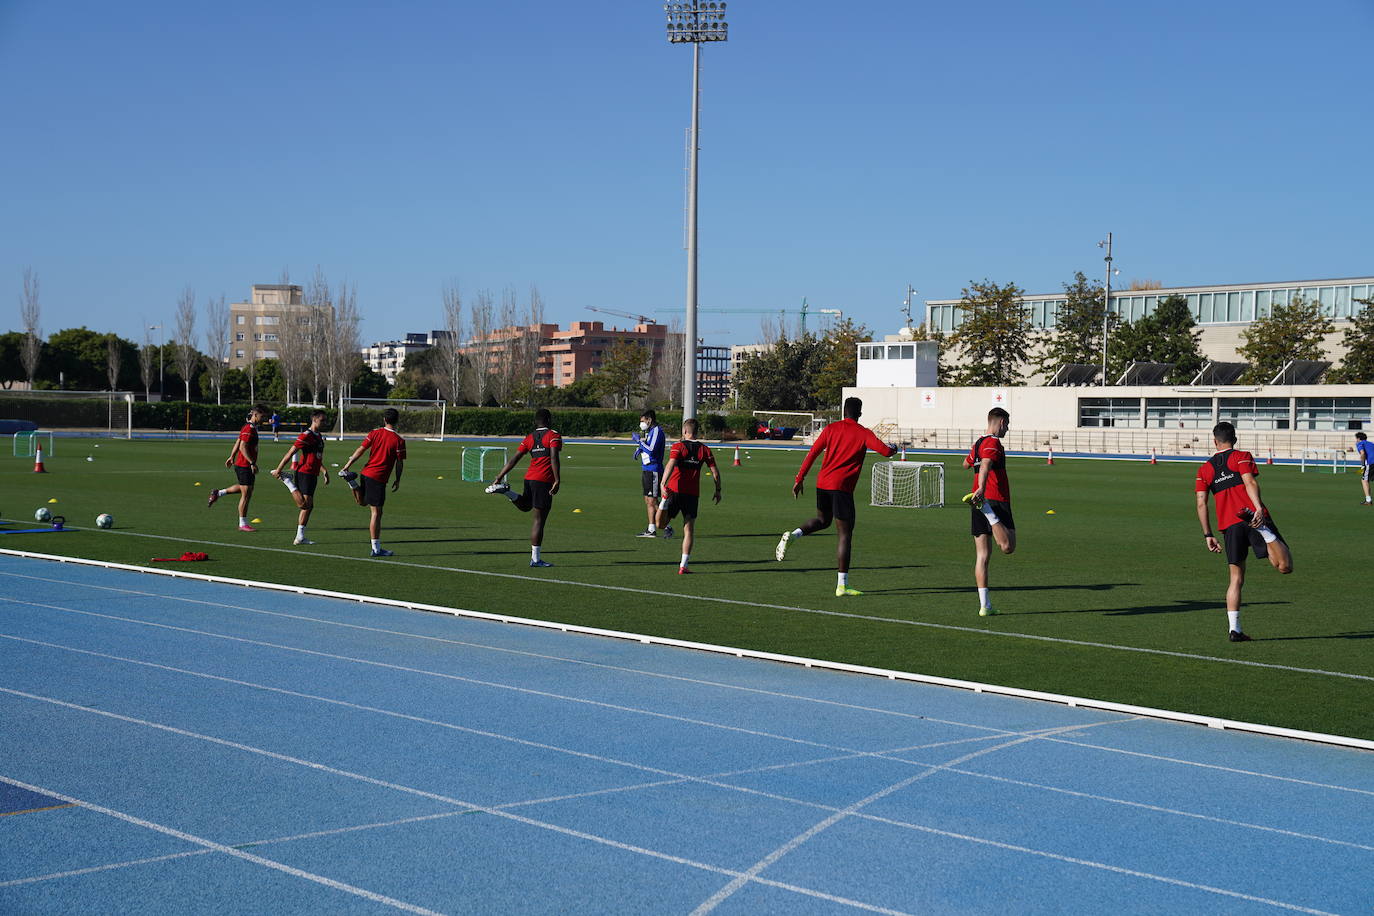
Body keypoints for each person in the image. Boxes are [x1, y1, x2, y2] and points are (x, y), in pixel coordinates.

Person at [775, 397, 895, 596]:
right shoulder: (863, 432)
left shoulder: (830, 429)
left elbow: (812, 453)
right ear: (859, 413)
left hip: (822, 484)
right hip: (842, 488)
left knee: (823, 520)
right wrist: (894, 449)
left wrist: (799, 478)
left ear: (843, 412)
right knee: (845, 535)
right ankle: (842, 585)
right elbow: (885, 451)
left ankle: (793, 535)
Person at [1195, 421, 1293, 642]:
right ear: (1235, 438)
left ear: (1214, 441)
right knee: (1285, 567)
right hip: (1253, 517)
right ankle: (1267, 534)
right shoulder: (1242, 456)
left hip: (1229, 526)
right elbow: (1249, 481)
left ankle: (1235, 629)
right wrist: (1258, 509)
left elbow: (1201, 503)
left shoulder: (1205, 469)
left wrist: (1208, 534)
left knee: (1236, 579)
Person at [485, 408, 562, 568]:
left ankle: (507, 491)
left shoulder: (529, 437)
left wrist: (499, 477)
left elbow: (514, 459)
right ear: (548, 420)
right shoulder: (553, 435)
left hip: (529, 478)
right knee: (539, 520)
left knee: (526, 506)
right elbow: (554, 457)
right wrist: (557, 479)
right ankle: (535, 559)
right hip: (544, 480)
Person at [964, 407, 1015, 617]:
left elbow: (966, 464)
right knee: (1008, 546)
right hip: (992, 500)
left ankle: (985, 605)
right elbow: (985, 464)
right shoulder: (993, 442)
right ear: (1001, 422)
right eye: (1008, 424)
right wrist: (983, 489)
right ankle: (990, 513)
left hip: (977, 501)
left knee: (982, 556)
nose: (1008, 429)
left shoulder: (978, 443)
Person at [655, 417, 721, 574]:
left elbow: (670, 465)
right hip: (692, 495)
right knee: (689, 530)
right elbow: (715, 473)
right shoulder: (705, 449)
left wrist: (663, 484)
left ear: (685, 431)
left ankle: (663, 502)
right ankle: (683, 565)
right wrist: (718, 490)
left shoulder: (678, 446)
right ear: (697, 432)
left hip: (675, 491)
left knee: (661, 525)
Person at [338, 407, 406, 558]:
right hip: (378, 478)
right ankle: (376, 549)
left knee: (362, 502)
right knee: (376, 513)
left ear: (384, 419)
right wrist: (398, 479)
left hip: (366, 473)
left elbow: (360, 449)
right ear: (397, 420)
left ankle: (352, 482)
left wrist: (348, 465)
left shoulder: (374, 433)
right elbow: (399, 463)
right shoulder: (399, 441)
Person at [270, 409, 330, 546]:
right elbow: (291, 452)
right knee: (304, 505)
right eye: (322, 420)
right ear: (314, 420)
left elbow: (316, 457)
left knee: (309, 507)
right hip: (305, 472)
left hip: (313, 473)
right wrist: (279, 469)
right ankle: (287, 481)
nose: (324, 423)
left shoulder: (318, 435)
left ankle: (300, 537)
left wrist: (324, 470)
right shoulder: (306, 435)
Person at [207, 404, 268, 531]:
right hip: (244, 465)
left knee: (246, 489)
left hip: (242, 464)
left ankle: (218, 493)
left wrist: (231, 456)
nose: (264, 419)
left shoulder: (249, 427)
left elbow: (238, 441)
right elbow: (242, 446)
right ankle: (242, 524)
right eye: (262, 416)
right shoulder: (249, 428)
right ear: (255, 415)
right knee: (246, 494)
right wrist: (252, 462)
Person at [632, 409, 666, 537]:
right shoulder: (650, 431)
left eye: (642, 421)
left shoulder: (657, 431)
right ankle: (651, 528)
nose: (641, 423)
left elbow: (651, 450)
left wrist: (639, 442)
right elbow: (647, 446)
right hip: (647, 469)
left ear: (649, 419)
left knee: (652, 500)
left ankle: (666, 526)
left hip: (654, 470)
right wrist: (640, 449)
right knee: (648, 500)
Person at [1355, 431, 1373, 506]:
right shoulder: (1371, 444)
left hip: (1371, 463)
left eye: (1356, 439)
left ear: (1359, 438)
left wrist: (1362, 465)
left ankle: (1368, 500)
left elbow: (1362, 453)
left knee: (1364, 480)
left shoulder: (1360, 443)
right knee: (1367, 479)